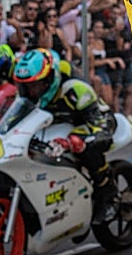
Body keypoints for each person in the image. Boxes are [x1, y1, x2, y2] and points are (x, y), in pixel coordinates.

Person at [12, 48, 119, 222]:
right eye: (26, 86)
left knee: (88, 146)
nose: (31, 91)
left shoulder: (74, 89)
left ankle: (109, 194)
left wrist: (72, 142)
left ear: (48, 79)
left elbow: (99, 125)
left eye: (35, 85)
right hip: (58, 125)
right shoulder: (27, 96)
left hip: (93, 121)